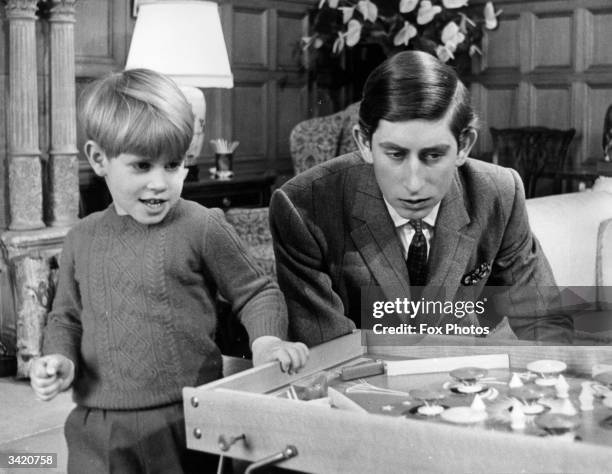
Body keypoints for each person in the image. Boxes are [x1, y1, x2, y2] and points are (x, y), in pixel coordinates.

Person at [29, 68, 308, 474]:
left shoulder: (201, 224)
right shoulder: (80, 238)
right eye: (142, 166)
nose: (160, 183)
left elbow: (257, 292)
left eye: (174, 164)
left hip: (185, 418)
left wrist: (265, 342)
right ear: (98, 159)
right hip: (98, 425)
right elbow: (66, 318)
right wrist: (58, 360)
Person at [270, 50, 573, 347]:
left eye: (433, 155)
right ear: (364, 143)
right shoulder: (303, 208)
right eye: (395, 154)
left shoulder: (499, 193)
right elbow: (330, 354)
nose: (413, 183)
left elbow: (544, 323)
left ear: (464, 145)